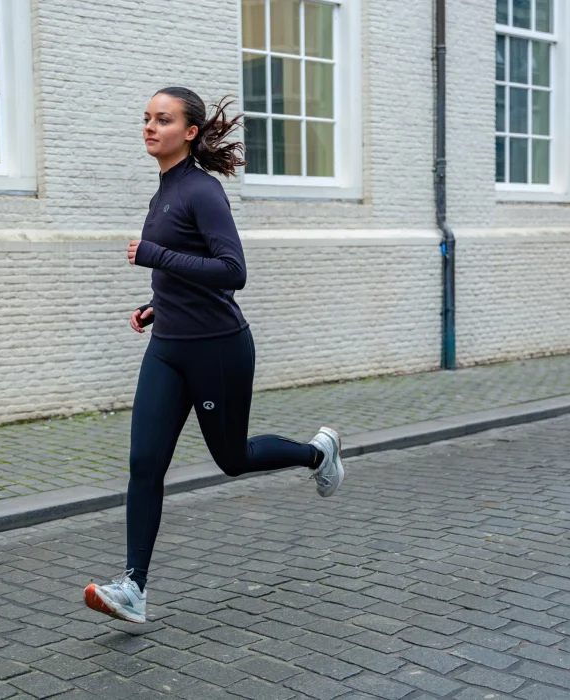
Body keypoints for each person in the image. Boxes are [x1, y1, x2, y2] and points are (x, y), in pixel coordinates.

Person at [84, 87, 345, 624]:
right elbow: (186, 269)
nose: (150, 127)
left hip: (217, 350)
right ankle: (133, 587)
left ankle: (318, 455)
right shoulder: (163, 192)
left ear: (190, 132)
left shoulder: (202, 191)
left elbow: (232, 271)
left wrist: (155, 255)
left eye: (163, 120)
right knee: (144, 463)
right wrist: (156, 306)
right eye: (147, 118)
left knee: (232, 458)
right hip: (167, 348)